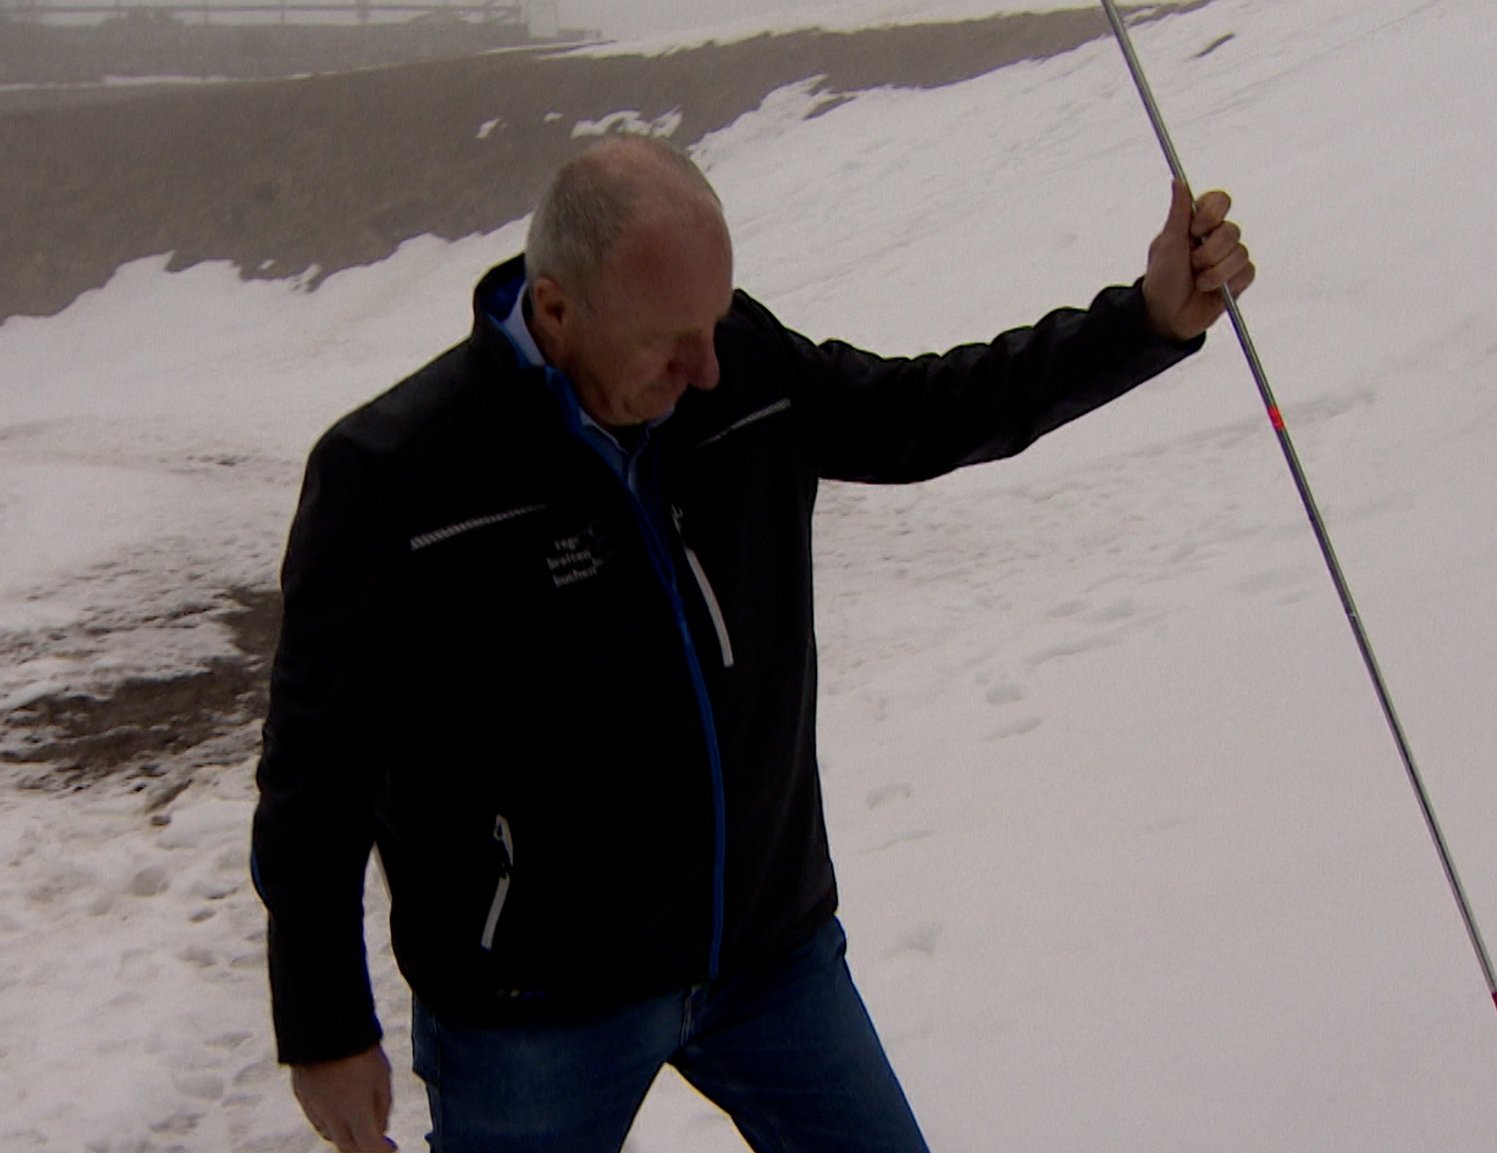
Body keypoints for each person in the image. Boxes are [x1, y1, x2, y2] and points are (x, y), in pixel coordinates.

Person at [251, 135, 1254, 1153]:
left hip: (769, 953)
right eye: (669, 339)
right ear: (556, 310)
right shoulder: (393, 477)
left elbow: (929, 408)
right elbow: (314, 773)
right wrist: (324, 1024)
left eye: (716, 321)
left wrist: (1148, 320)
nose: (709, 366)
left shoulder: (741, 369)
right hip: (538, 1006)